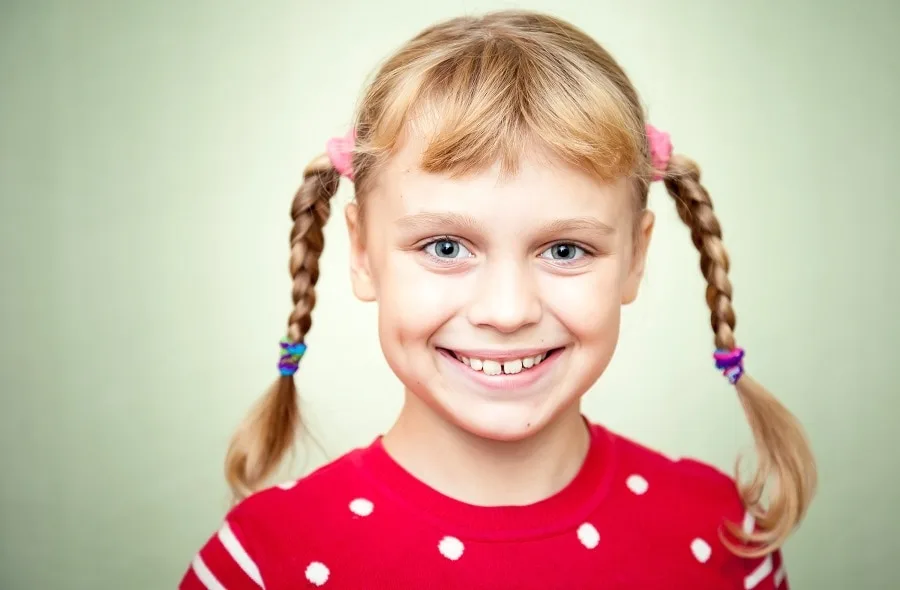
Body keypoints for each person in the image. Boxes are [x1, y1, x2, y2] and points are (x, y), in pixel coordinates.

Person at [179, 10, 816, 589]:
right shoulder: (261, 561)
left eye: (565, 250)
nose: (508, 311)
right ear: (362, 253)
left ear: (635, 258)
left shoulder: (726, 537)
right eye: (447, 247)